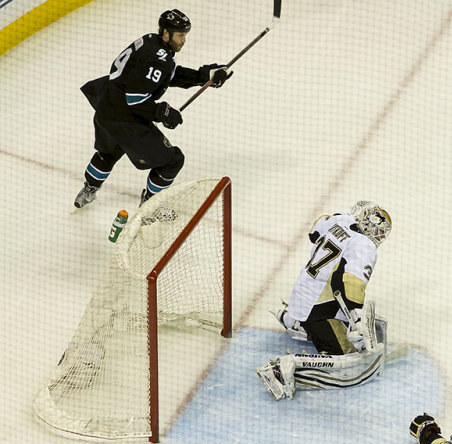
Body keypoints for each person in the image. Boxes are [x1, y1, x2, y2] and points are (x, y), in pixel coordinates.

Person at [74, 9, 232, 208]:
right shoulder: (158, 58)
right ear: (166, 33)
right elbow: (136, 100)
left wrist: (204, 75)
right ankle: (149, 207)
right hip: (126, 119)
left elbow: (167, 75)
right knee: (173, 161)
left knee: (109, 152)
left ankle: (88, 190)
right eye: (180, 35)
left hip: (106, 110)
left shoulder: (151, 41)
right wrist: (163, 112)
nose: (184, 40)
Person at [255, 201, 392, 400]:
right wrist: (358, 321)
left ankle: (295, 322)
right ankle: (280, 370)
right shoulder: (365, 245)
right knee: (347, 355)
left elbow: (314, 232)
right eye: (379, 231)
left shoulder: (339, 220)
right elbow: (351, 284)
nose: (379, 237)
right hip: (316, 311)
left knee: (332, 286)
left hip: (300, 297)